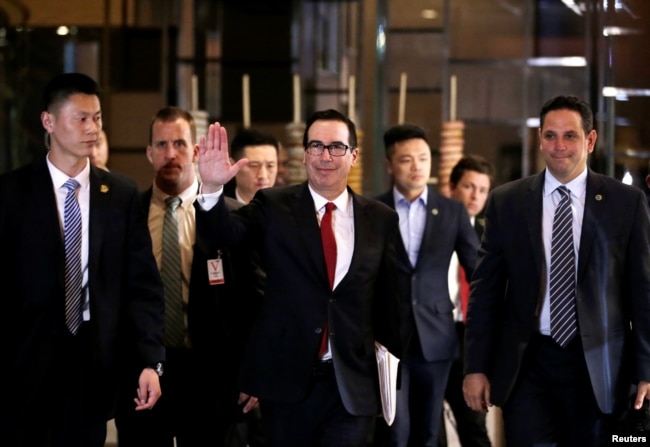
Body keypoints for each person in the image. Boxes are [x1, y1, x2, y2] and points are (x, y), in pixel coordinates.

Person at [196, 108, 402, 447]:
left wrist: (388, 377)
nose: (325, 156)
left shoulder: (380, 219)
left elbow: (392, 302)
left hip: (351, 384)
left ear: (354, 155)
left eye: (336, 147)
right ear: (304, 153)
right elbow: (224, 236)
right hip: (286, 382)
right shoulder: (274, 205)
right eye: (316, 146)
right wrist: (212, 189)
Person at [463, 95, 650, 446]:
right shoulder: (508, 201)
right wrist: (475, 367)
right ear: (539, 139)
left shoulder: (626, 203)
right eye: (550, 135)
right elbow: (486, 291)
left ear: (590, 140)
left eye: (570, 136)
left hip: (599, 366)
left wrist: (646, 370)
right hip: (528, 364)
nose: (559, 146)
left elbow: (643, 294)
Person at [0, 72, 165, 447]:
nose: (92, 128)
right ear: (49, 121)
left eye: (98, 118)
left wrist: (149, 360)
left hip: (94, 358)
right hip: (23, 362)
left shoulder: (120, 193)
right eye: (81, 118)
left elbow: (143, 288)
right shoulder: (12, 193)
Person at [114, 106, 254, 446]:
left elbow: (252, 299)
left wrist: (254, 371)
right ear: (148, 153)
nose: (170, 153)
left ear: (195, 150)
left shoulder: (231, 217)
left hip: (212, 375)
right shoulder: (125, 215)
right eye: (161, 145)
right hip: (144, 373)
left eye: (179, 143)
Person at [373, 123, 479, 447]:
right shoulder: (373, 211)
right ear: (390, 165)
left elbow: (478, 268)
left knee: (428, 433)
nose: (417, 166)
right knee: (395, 432)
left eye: (423, 158)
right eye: (407, 160)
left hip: (436, 338)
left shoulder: (451, 211)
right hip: (388, 341)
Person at [438, 155, 494, 447]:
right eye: (469, 187)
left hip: (468, 340)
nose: (476, 196)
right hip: (433, 330)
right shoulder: (434, 229)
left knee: (474, 426)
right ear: (451, 187)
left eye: (483, 190)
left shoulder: (491, 237)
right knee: (431, 429)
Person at [223, 127, 279, 203]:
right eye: (254, 165)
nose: (263, 175)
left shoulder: (288, 208)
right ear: (233, 165)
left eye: (270, 166)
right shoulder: (219, 207)